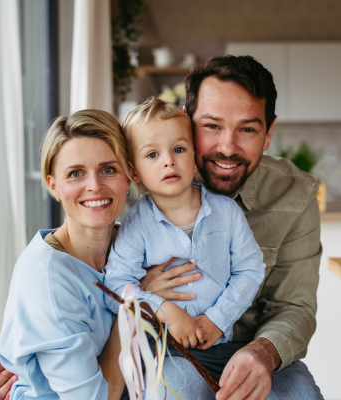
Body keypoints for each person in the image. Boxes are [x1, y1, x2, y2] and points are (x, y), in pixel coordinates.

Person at [0, 55, 323, 400]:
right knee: (178, 387)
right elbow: (73, 275)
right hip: (159, 354)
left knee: (302, 394)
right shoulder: (149, 177)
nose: (227, 147)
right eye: (212, 126)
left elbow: (294, 306)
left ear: (268, 133)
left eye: (247, 128)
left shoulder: (295, 196)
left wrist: (262, 352)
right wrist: (28, 356)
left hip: (247, 348)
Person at [104, 97, 265, 381]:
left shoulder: (226, 212)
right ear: (134, 171)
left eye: (179, 149)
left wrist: (218, 318)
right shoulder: (136, 223)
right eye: (152, 155)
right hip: (159, 347)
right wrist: (164, 309)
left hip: (218, 346)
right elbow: (117, 287)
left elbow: (250, 270)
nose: (169, 161)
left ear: (194, 156)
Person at [0, 110, 131, 400]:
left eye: (108, 169)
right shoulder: (46, 278)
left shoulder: (136, 247)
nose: (94, 185)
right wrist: (133, 310)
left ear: (129, 175)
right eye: (75, 173)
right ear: (53, 185)